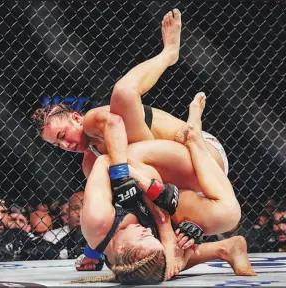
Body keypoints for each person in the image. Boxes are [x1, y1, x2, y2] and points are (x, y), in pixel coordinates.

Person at [31, 9, 240, 236]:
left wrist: (121, 173)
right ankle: (223, 248)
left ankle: (169, 54)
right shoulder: (90, 163)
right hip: (186, 187)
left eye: (62, 136)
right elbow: (120, 204)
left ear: (75, 118)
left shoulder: (93, 120)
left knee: (121, 101)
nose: (65, 146)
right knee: (154, 221)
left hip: (203, 155)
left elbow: (114, 121)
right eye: (57, 145)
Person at [71, 96, 256, 284]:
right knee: (228, 215)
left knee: (130, 161)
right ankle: (226, 248)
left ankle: (193, 137)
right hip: (163, 194)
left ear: (119, 250)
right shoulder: (137, 259)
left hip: (160, 158)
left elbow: (104, 161)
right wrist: (183, 240)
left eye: (143, 236)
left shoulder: (98, 220)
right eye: (153, 238)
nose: (147, 233)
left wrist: (166, 231)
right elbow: (159, 242)